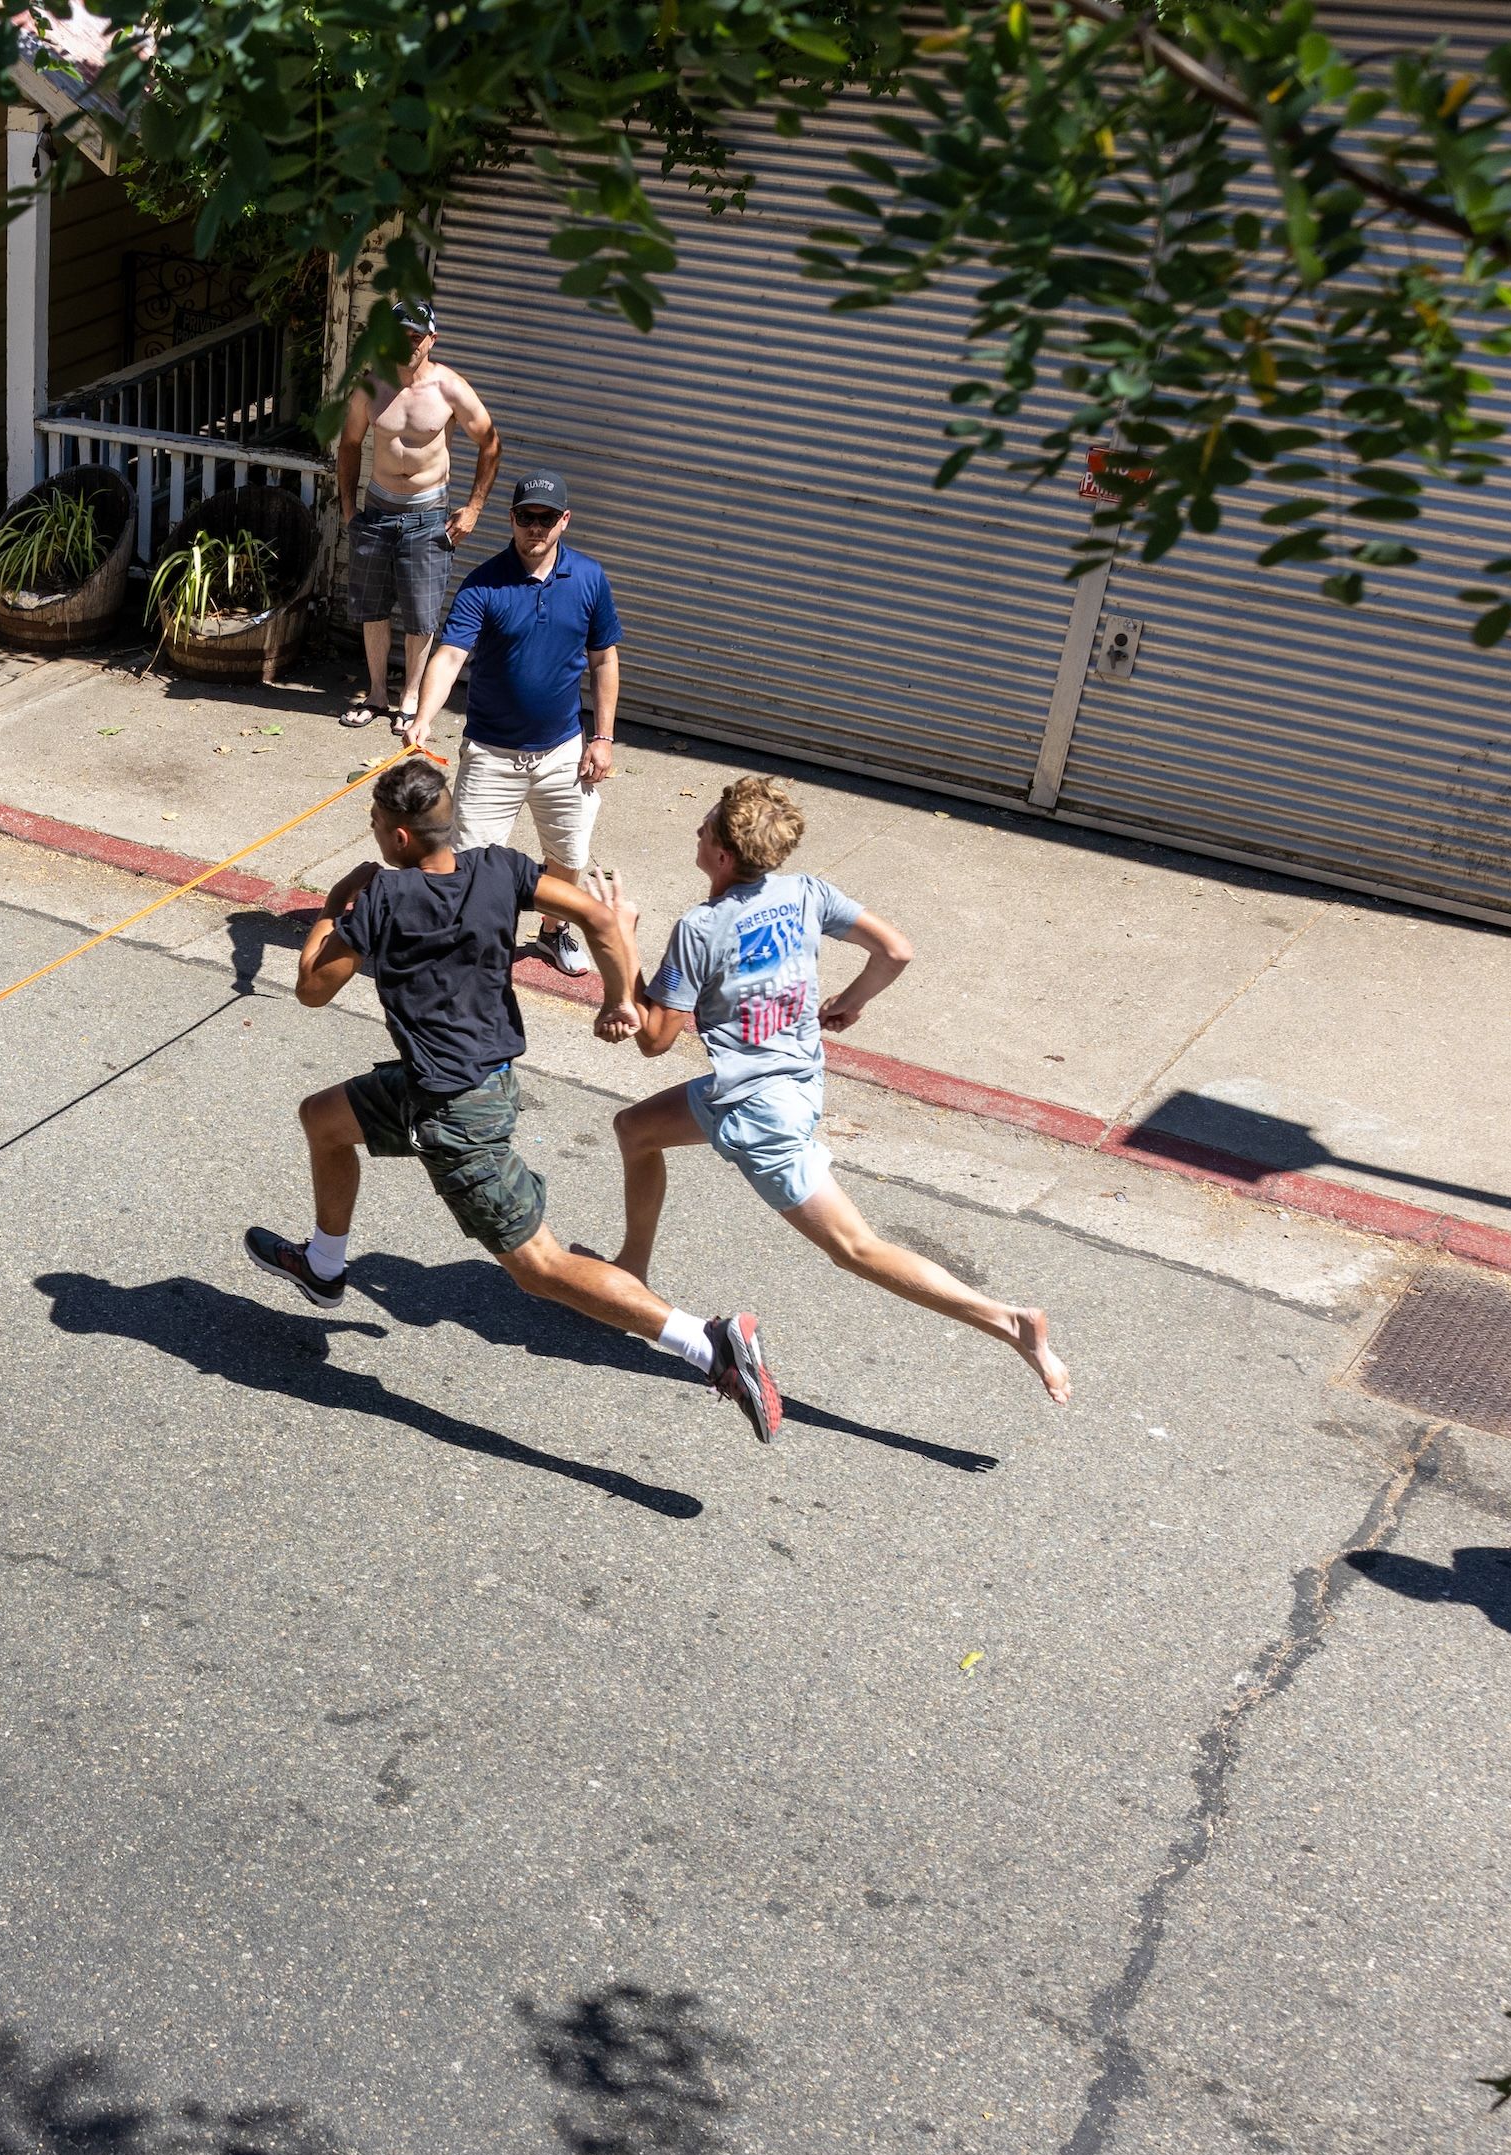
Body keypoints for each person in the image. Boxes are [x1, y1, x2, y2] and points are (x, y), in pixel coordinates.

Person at [247, 759, 782, 1442]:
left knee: (541, 1271)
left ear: (401, 837)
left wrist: (332, 909)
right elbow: (598, 916)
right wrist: (618, 995)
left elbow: (311, 990)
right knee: (323, 1119)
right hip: (464, 1082)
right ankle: (323, 1267)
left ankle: (709, 1345)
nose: (375, 832)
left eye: (377, 823)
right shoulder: (499, 868)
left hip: (453, 1114)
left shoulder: (382, 900)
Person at [611, 774, 1071, 1404]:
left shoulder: (701, 927)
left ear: (722, 854)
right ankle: (631, 1271)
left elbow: (654, 1040)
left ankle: (1007, 1321)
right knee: (634, 1129)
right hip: (786, 1082)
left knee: (856, 1247)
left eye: (706, 824)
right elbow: (896, 951)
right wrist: (851, 1004)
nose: (697, 827)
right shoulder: (805, 893)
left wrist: (621, 935)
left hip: (759, 1114)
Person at [399, 471, 621, 978]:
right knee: (471, 860)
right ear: (512, 519)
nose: (535, 528)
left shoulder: (588, 578)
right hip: (491, 754)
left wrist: (603, 739)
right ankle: (471, 946)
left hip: (564, 751)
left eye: (546, 518)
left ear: (564, 520)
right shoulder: (484, 583)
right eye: (526, 517)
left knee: (568, 853)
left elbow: (604, 660)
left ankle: (551, 932)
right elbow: (451, 654)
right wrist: (422, 718)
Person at [332, 304, 497, 735]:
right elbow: (349, 445)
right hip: (377, 511)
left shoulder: (450, 389)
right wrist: (349, 509)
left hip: (428, 517)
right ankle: (375, 694)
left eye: (416, 336)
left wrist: (474, 508)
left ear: (431, 340)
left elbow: (490, 443)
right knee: (372, 609)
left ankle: (409, 698)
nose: (408, 343)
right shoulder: (371, 386)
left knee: (421, 616)